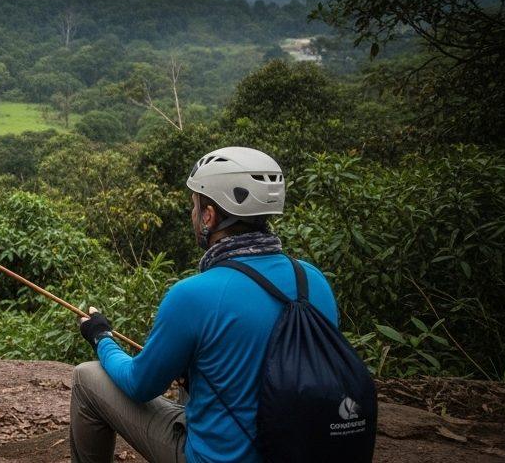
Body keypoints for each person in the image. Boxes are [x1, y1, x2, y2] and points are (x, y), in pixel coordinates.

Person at [69, 147, 341, 463]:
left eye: (195, 206)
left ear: (209, 216)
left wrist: (102, 338)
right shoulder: (313, 280)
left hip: (219, 458)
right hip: (298, 449)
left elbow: (139, 385)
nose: (192, 214)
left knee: (87, 377)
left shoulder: (193, 295)